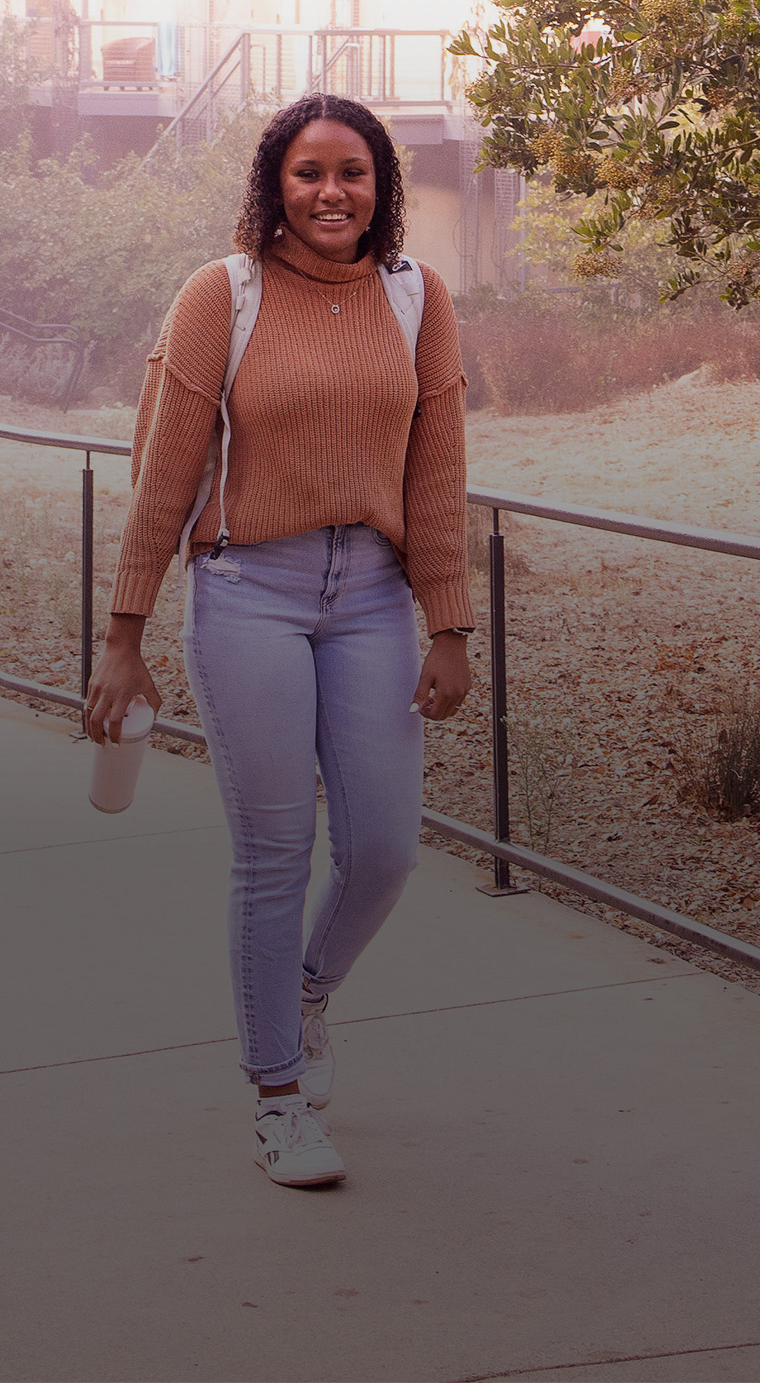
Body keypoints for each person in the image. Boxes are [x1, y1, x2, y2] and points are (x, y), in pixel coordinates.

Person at [84, 92, 471, 1190]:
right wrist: (125, 634)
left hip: (372, 598)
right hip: (250, 585)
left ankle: (301, 990)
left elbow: (436, 470)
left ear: (380, 184)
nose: (330, 192)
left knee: (386, 847)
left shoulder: (415, 298)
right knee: (270, 854)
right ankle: (276, 1096)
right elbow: (164, 472)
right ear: (274, 183)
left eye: (351, 171)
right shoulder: (224, 294)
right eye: (308, 173)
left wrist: (448, 623)